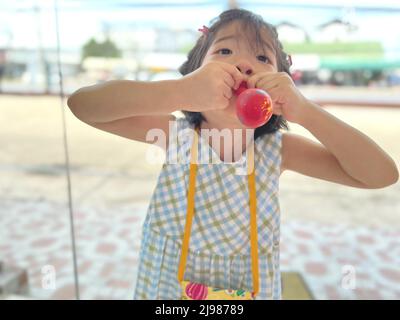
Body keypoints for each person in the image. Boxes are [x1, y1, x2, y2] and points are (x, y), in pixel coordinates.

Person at [67, 9, 398, 300]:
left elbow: (381, 175)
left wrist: (306, 111)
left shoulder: (280, 151)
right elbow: (84, 106)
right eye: (224, 50)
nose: (244, 64)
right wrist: (179, 92)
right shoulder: (175, 135)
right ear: (196, 74)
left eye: (263, 59)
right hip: (166, 287)